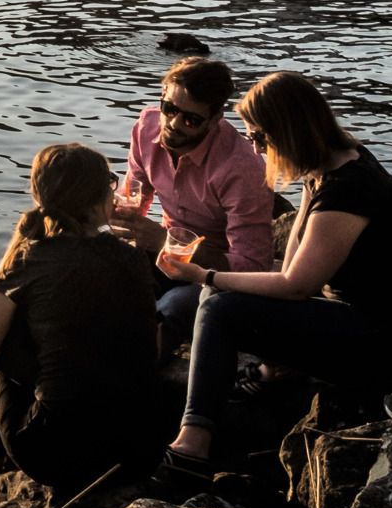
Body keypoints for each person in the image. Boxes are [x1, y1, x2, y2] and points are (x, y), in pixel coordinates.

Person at [153, 73, 392, 491]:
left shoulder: (348, 191)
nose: (254, 148)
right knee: (228, 295)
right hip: (381, 319)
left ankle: (191, 447)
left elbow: (296, 286)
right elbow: (293, 261)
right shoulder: (336, 161)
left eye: (260, 138)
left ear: (287, 131)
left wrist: (206, 274)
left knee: (218, 305)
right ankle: (272, 372)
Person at [0, 143, 164, 496]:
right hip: (137, 447)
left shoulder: (29, 261)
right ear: (100, 199)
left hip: (55, 455)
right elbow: (150, 348)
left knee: (3, 333)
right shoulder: (134, 258)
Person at [110, 58, 271, 356]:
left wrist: (162, 241)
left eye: (191, 120)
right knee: (97, 275)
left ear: (215, 119)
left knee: (171, 309)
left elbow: (253, 266)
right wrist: (117, 215)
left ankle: (131, 376)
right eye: (169, 109)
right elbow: (136, 198)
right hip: (165, 255)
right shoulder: (146, 128)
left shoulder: (241, 168)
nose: (173, 124)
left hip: (212, 273)